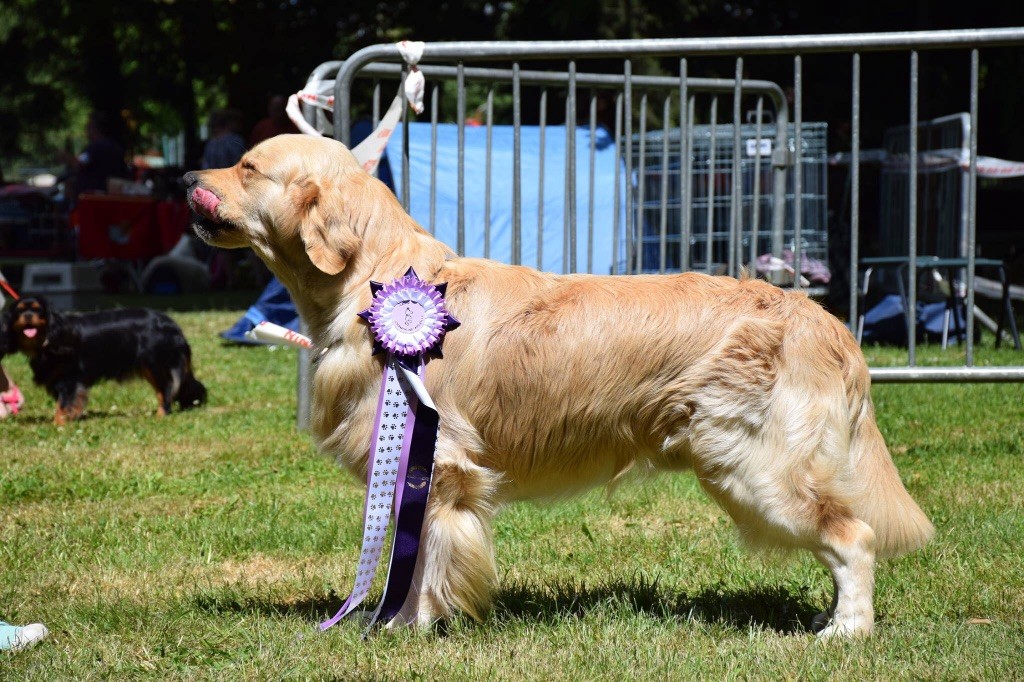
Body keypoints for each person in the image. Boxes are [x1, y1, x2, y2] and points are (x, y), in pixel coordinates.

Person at [63, 111, 129, 200]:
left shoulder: (96, 147)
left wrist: (66, 157)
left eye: (88, 126)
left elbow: (80, 162)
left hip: (92, 199)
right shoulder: (115, 147)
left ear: (95, 128)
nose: (86, 130)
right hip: (110, 198)